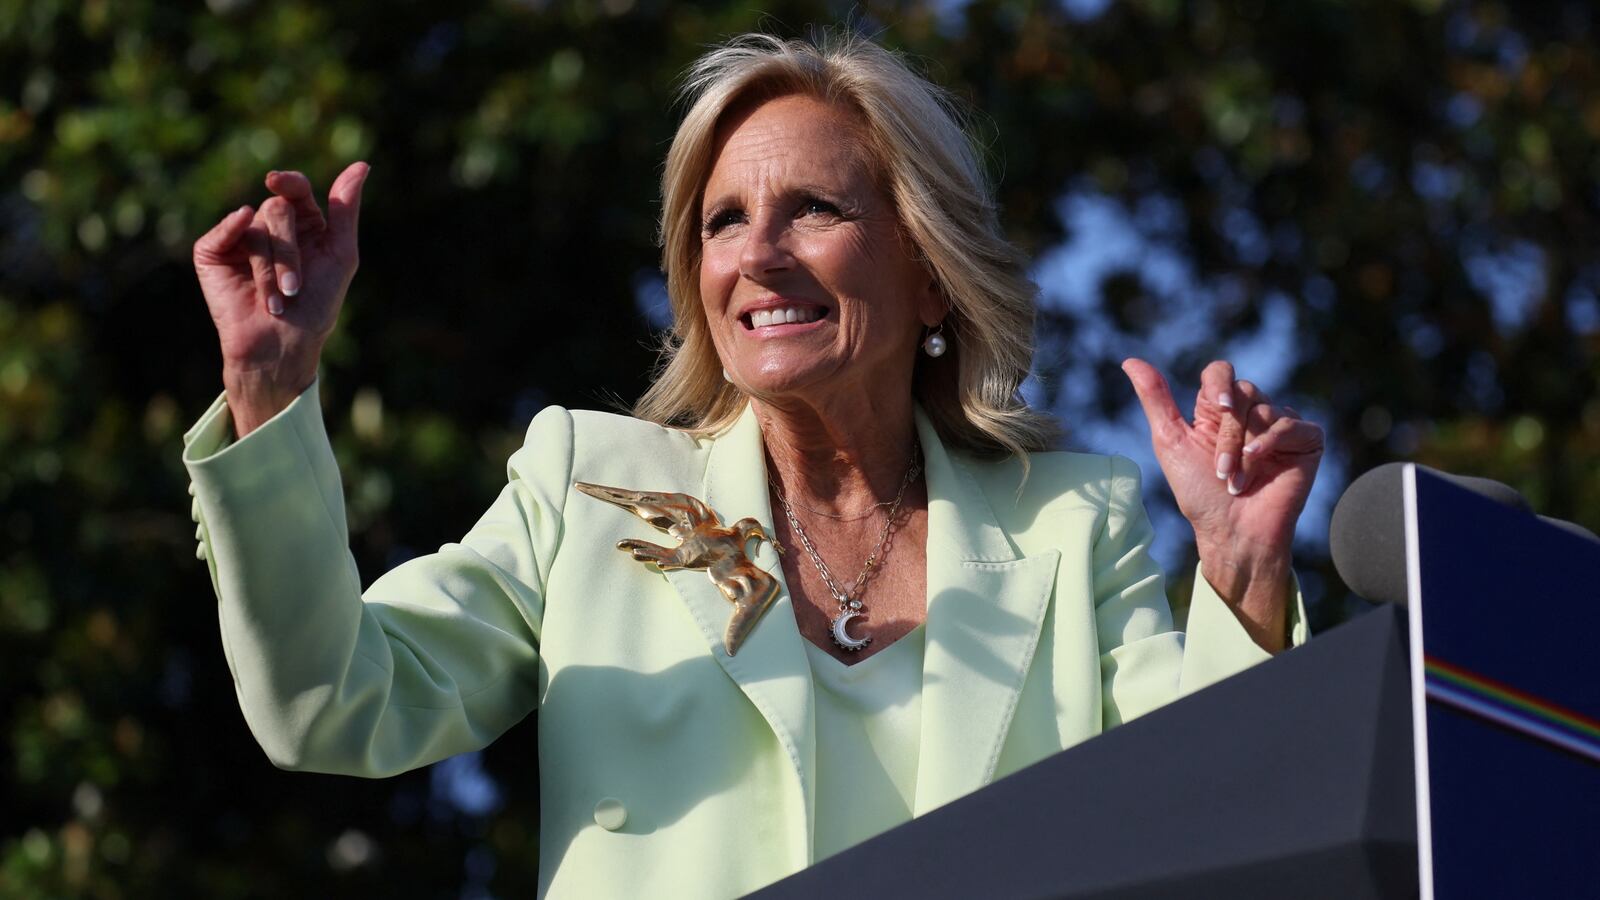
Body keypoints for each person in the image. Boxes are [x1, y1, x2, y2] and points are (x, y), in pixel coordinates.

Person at [184, 31, 1321, 899]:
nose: (758, 255)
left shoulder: (1074, 523)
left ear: (929, 272)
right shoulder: (584, 484)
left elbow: (1218, 813)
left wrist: (1242, 579)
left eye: (815, 208)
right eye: (723, 221)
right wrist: (271, 394)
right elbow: (333, 703)